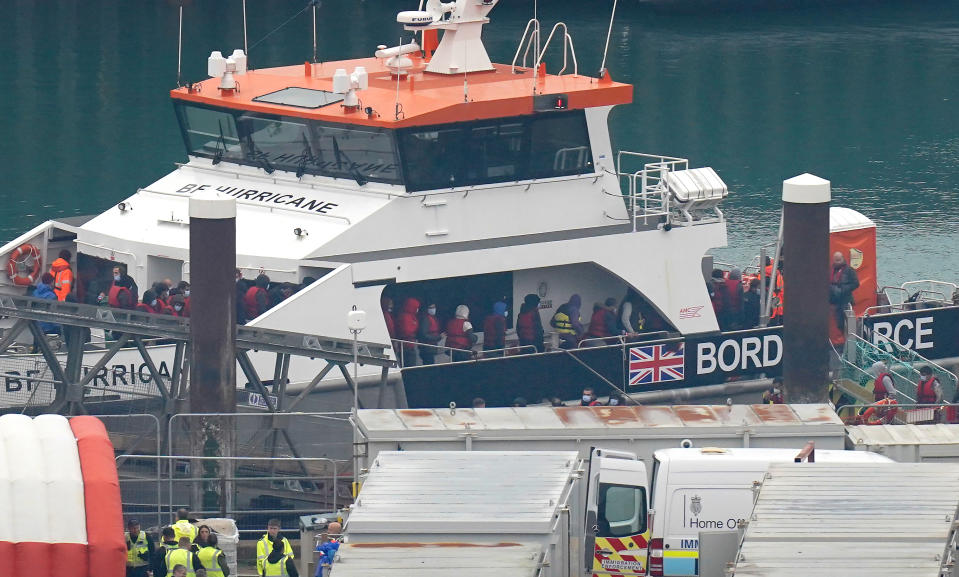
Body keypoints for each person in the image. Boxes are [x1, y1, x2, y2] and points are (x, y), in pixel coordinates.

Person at [829, 251, 859, 333]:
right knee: (839, 324)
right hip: (836, 301)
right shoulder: (831, 270)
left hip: (846, 300)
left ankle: (852, 341)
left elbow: (856, 283)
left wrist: (843, 289)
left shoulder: (849, 270)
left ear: (843, 259)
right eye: (836, 260)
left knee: (849, 324)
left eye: (839, 260)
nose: (838, 262)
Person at [395, 297, 420, 366]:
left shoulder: (409, 316)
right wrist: (414, 335)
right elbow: (406, 331)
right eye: (416, 307)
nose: (417, 309)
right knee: (410, 365)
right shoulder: (406, 317)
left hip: (409, 345)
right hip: (407, 346)